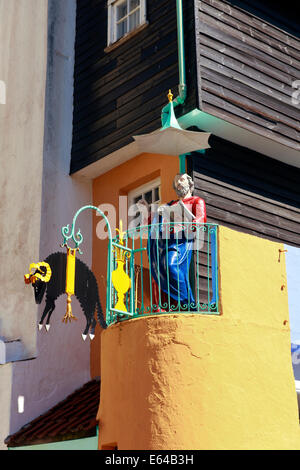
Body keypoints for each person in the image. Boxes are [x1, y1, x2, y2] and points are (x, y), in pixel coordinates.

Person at [138, 174, 207, 312]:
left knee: (170, 266)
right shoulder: (170, 205)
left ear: (190, 184)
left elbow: (200, 220)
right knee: (158, 269)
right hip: (165, 240)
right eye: (176, 182)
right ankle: (165, 304)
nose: (178, 184)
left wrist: (184, 223)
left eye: (181, 180)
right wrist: (146, 212)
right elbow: (154, 222)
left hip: (182, 240)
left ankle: (185, 300)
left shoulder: (196, 201)